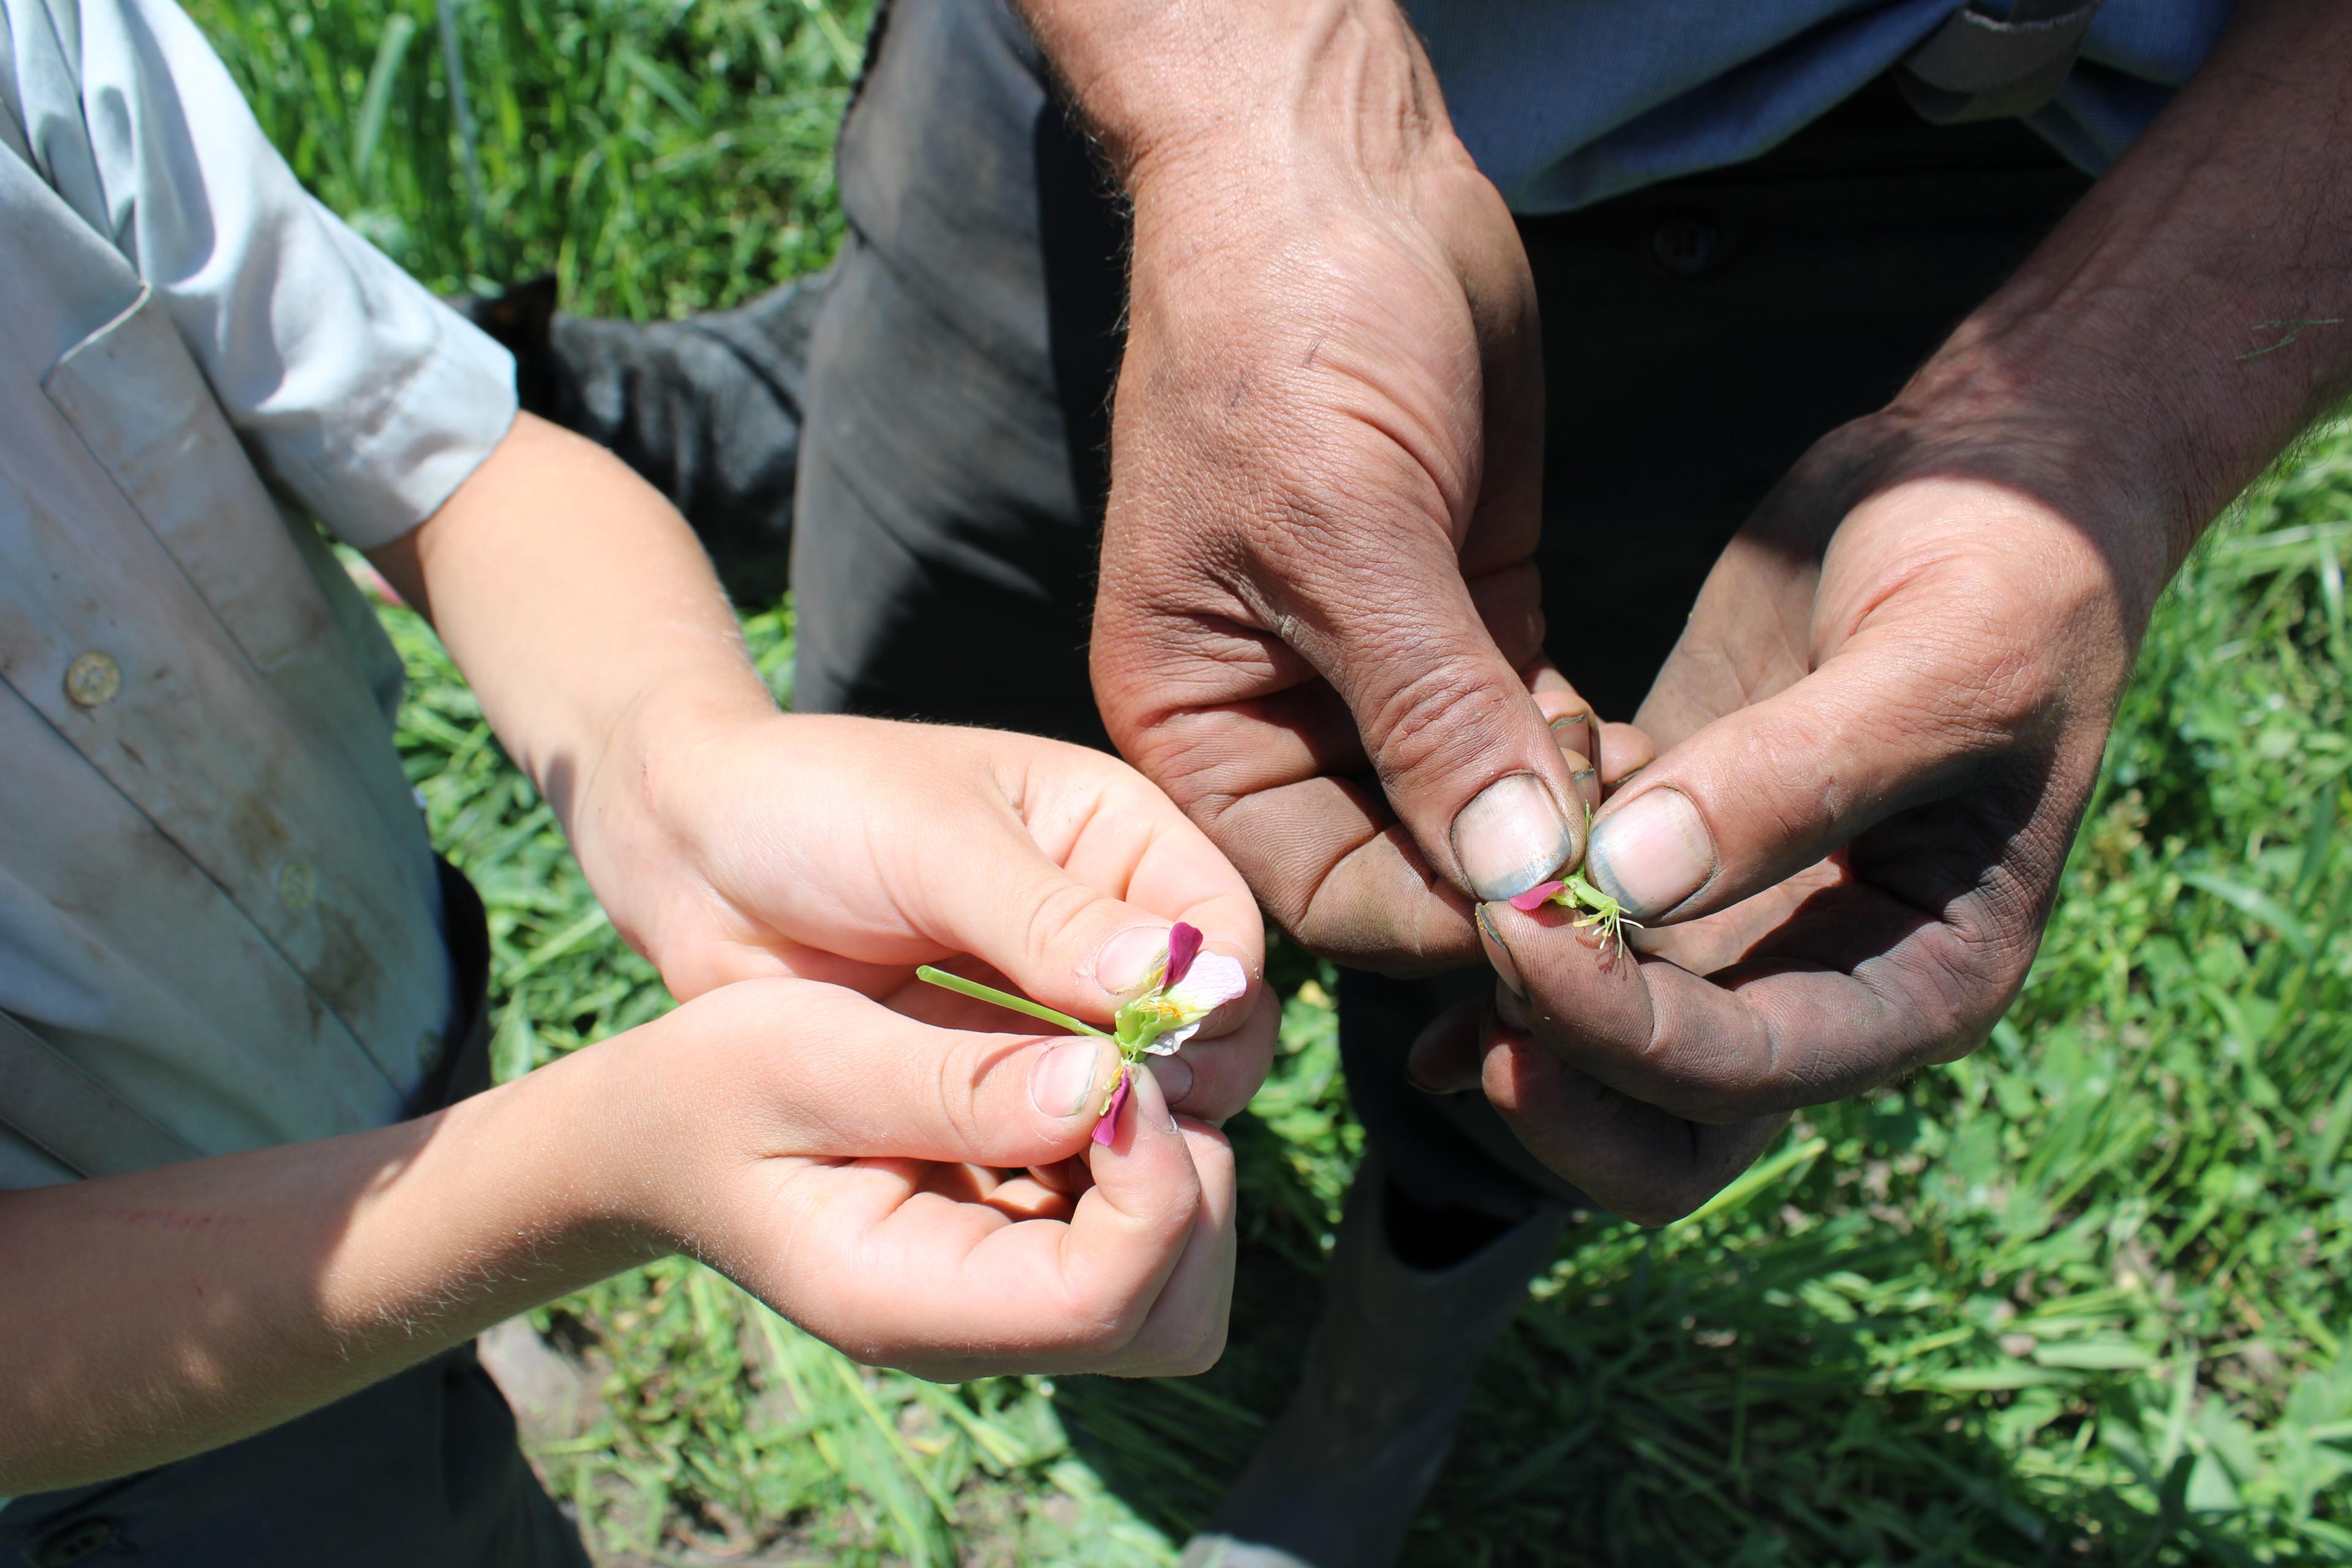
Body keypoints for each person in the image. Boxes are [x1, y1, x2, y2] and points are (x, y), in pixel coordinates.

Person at [487, 0, 2352, 1562]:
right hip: (1170, 87)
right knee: (944, 717)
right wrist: (1253, 115)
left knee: (1598, 998)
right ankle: (969, 1170)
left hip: (1999, 212)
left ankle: (1398, 1359)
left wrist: (2110, 407)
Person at [0, 1, 1278, 1562]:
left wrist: (692, 772)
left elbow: (452, 460)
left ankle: (450, 1361)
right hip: (96, 1448)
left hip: (397, 1005)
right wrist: (597, 1172)